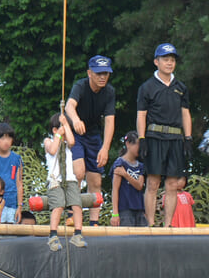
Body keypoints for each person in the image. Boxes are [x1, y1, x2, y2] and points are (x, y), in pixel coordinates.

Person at [137, 42, 192, 227]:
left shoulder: (181, 87)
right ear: (156, 61)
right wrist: (142, 138)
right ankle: (151, 224)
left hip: (176, 138)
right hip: (154, 137)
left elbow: (185, 113)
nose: (169, 63)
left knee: (172, 184)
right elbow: (141, 115)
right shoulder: (147, 87)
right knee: (153, 182)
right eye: (165, 59)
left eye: (172, 60)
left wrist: (188, 138)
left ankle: (168, 225)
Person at [65, 55, 117, 225]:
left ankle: (94, 221)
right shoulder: (80, 86)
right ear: (89, 73)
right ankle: (71, 213)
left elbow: (110, 121)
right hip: (76, 133)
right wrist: (76, 120)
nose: (102, 77)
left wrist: (105, 148)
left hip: (94, 135)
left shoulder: (109, 92)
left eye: (105, 73)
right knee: (79, 172)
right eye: (98, 73)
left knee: (96, 180)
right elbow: (69, 106)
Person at [44, 112, 86, 251]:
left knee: (77, 205)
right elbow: (52, 150)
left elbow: (72, 141)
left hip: (70, 179)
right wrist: (58, 135)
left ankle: (78, 233)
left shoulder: (68, 144)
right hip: (56, 180)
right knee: (59, 205)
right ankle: (53, 235)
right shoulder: (48, 141)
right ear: (54, 130)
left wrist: (66, 124)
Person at [110, 132, 147, 227]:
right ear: (128, 144)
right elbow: (115, 189)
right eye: (137, 144)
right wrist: (115, 213)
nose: (139, 148)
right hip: (125, 209)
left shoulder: (141, 165)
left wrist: (125, 175)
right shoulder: (119, 163)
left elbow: (139, 186)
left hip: (139, 209)